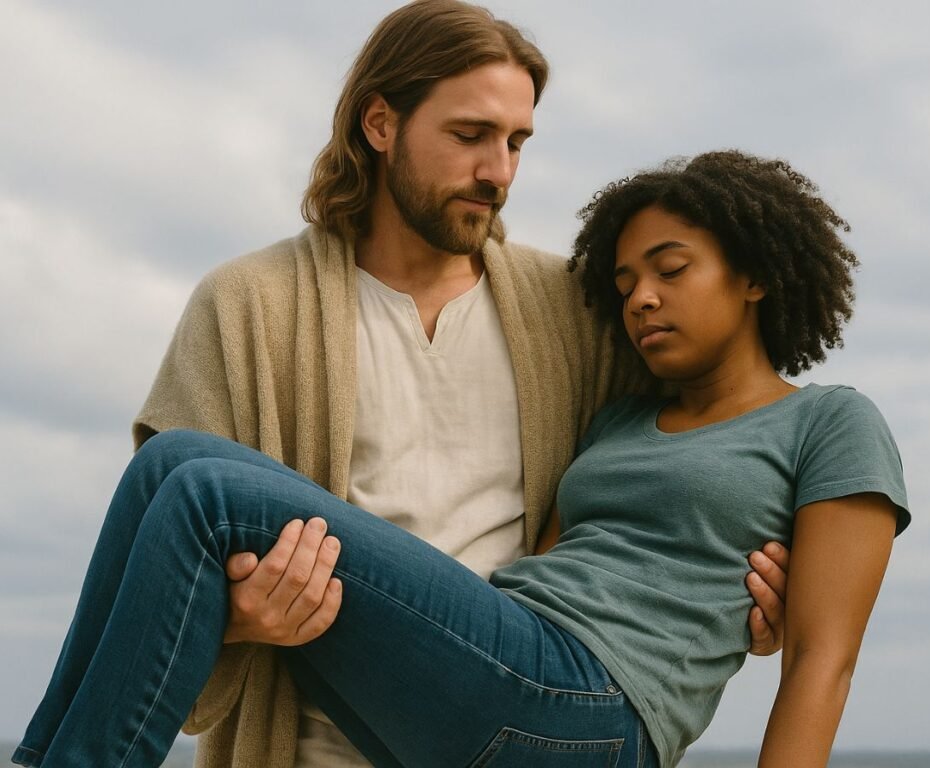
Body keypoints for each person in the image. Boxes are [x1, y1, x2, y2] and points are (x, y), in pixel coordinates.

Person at [20, 2, 789, 766]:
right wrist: (237, 616)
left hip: (508, 715)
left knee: (201, 491)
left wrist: (759, 587)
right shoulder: (247, 304)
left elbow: (711, 437)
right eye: (469, 136)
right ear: (380, 124)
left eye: (517, 142)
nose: (499, 172)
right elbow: (155, 578)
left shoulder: (577, 309)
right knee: (170, 467)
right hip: (308, 745)